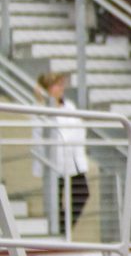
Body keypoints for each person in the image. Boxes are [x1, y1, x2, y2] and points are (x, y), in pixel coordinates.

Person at [33, 72, 89, 235]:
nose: (61, 88)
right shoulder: (40, 109)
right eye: (57, 85)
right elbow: (42, 131)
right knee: (55, 200)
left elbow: (78, 129)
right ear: (48, 89)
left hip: (72, 159)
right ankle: (57, 233)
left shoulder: (69, 106)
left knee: (82, 193)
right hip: (53, 161)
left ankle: (64, 231)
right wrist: (40, 100)